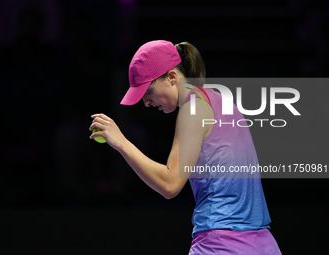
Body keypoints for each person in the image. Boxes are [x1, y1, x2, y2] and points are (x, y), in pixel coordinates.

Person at [89, 40, 282, 254]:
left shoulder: (192, 110)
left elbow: (170, 184)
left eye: (148, 91)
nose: (146, 103)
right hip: (263, 244)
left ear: (172, 77)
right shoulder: (221, 101)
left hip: (221, 244)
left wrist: (121, 143)